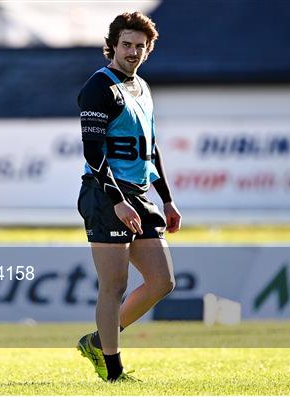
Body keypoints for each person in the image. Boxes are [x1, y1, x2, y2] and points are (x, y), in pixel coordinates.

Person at [76, 12, 181, 382]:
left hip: (139, 195)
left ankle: (97, 341)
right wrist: (117, 199)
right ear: (113, 45)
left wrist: (166, 199)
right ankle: (113, 371)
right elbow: (93, 153)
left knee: (162, 281)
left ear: (148, 50)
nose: (133, 52)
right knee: (114, 286)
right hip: (106, 195)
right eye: (127, 44)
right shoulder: (98, 87)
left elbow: (152, 148)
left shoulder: (143, 87)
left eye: (140, 46)